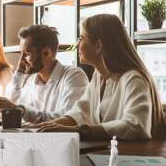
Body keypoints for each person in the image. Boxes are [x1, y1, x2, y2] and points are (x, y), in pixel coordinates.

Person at [31, 14, 166, 140]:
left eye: (81, 39)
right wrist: (47, 126)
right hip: (111, 157)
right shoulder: (98, 76)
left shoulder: (133, 79)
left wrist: (77, 130)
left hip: (135, 160)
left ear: (98, 46)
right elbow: (80, 112)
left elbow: (136, 126)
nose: (77, 45)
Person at [0, 24, 88, 123]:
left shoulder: (74, 76)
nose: (21, 60)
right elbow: (13, 111)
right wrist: (19, 73)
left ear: (46, 53)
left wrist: (20, 110)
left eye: (27, 54)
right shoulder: (31, 80)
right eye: (21, 54)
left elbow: (67, 117)